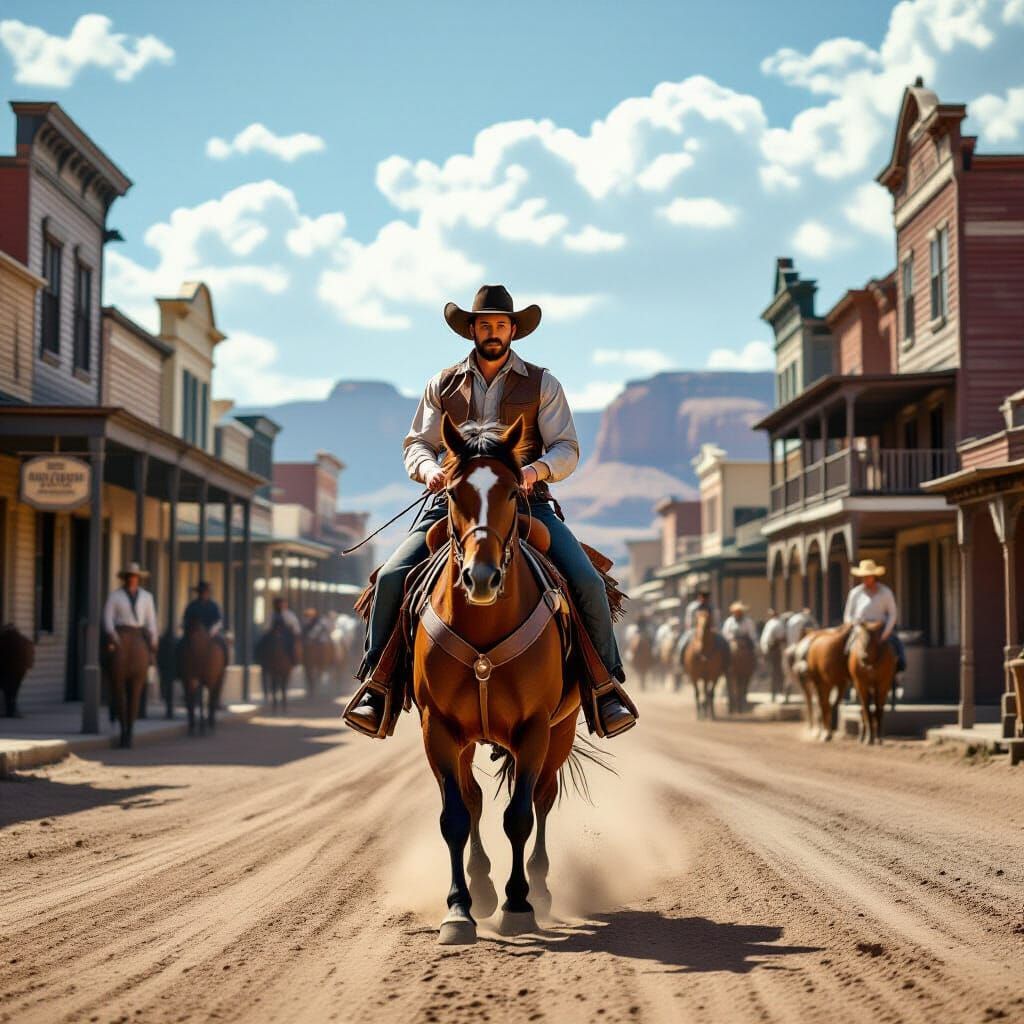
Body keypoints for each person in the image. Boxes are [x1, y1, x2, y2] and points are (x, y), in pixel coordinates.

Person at [346, 284, 635, 738]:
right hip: (453, 503)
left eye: (501, 324)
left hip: (526, 503)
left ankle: (604, 687)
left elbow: (566, 447)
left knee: (586, 580)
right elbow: (418, 443)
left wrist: (534, 471)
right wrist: (429, 471)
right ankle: (377, 686)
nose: (493, 332)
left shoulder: (542, 383)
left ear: (513, 330)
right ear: (472, 330)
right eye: (485, 325)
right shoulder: (442, 383)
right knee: (390, 578)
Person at [843, 559, 906, 671]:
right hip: (860, 627)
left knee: (897, 643)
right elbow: (848, 614)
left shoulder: (885, 592)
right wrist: (854, 626)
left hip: (880, 627)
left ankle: (899, 666)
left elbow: (892, 613)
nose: (866, 579)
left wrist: (886, 632)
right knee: (844, 647)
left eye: (868, 576)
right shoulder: (855, 593)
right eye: (863, 577)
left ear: (874, 576)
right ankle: (844, 669)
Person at [102, 561, 158, 656]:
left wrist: (154, 639)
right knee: (112, 655)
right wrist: (113, 635)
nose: (131, 579)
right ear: (125, 578)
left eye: (134, 576)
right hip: (121, 632)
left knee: (149, 656)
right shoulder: (115, 596)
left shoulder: (147, 597)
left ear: (138, 578)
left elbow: (151, 620)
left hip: (139, 633)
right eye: (129, 576)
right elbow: (107, 618)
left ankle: (151, 664)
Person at [675, 588, 717, 660]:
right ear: (699, 597)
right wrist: (693, 629)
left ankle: (726, 663)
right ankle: (680, 660)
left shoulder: (711, 607)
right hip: (693, 630)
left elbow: (715, 620)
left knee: (722, 643)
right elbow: (689, 621)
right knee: (682, 643)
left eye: (706, 597)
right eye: (703, 597)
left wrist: (714, 628)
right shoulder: (693, 607)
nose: (705, 599)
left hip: (709, 630)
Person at [759, 608, 787, 700]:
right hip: (769, 649)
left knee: (776, 672)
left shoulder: (777, 623)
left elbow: (781, 637)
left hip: (775, 650)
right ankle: (774, 692)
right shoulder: (770, 623)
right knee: (773, 672)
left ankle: (779, 691)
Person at [271, 596, 303, 662]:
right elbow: (268, 625)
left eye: (283, 604)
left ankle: (292, 659)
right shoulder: (272, 614)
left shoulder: (289, 615)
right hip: (273, 634)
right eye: (279, 604)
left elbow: (295, 627)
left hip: (286, 634)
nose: (281, 606)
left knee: (290, 645)